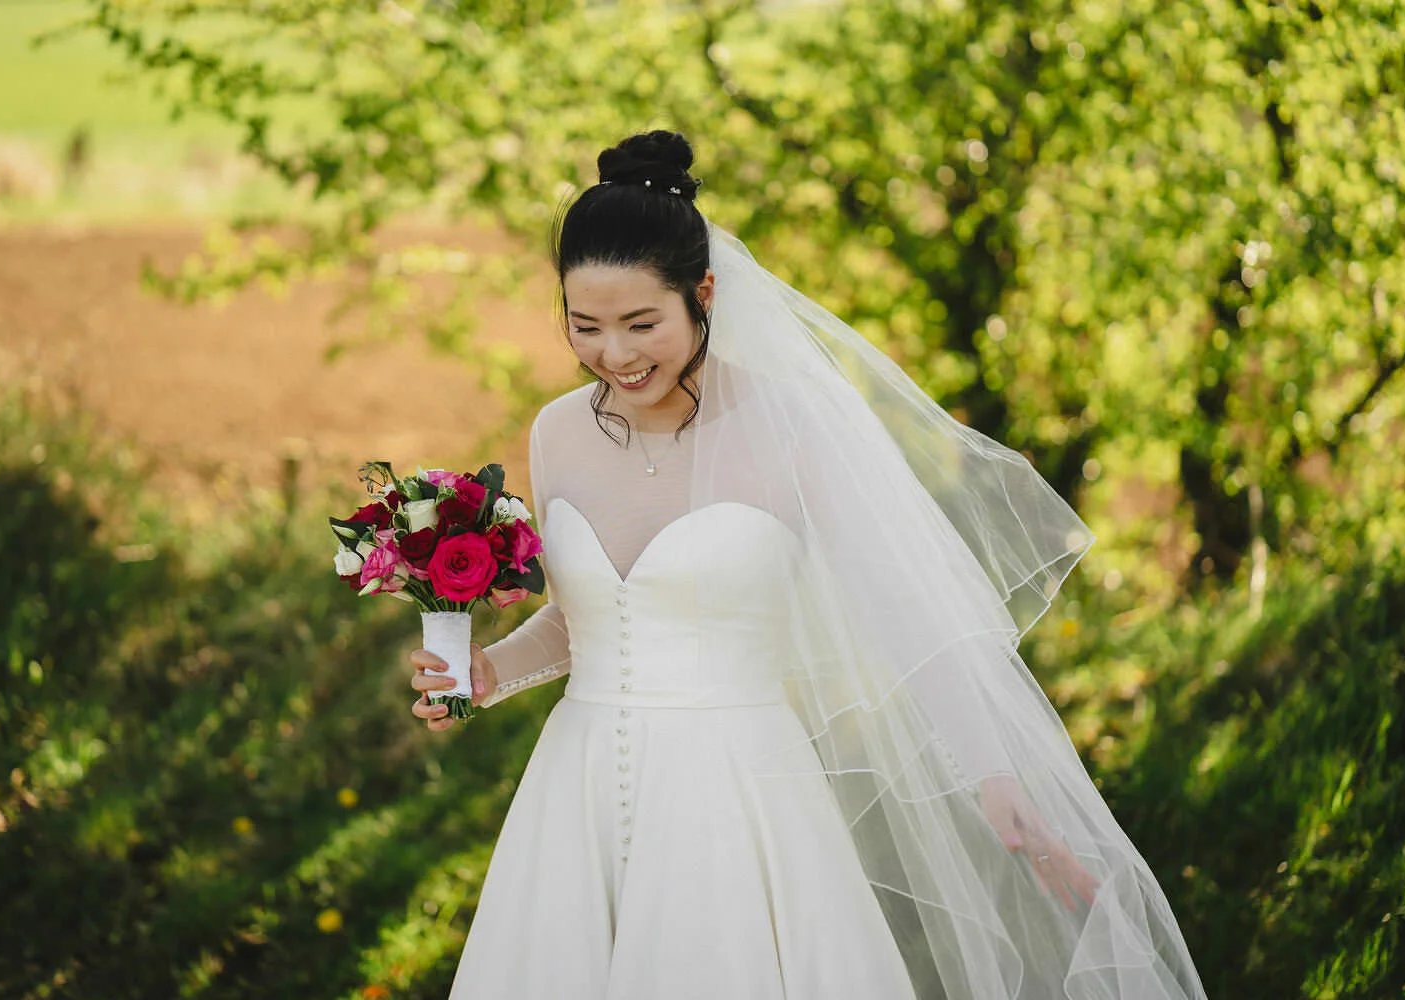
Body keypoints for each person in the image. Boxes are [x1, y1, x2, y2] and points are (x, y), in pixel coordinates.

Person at [410, 130, 1207, 999]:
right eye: (585, 326)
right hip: (578, 792)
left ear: (703, 294)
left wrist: (995, 776)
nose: (615, 354)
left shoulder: (789, 425)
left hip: (738, 798)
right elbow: (581, 618)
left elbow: (905, 608)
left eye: (643, 323)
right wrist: (488, 673)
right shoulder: (556, 430)